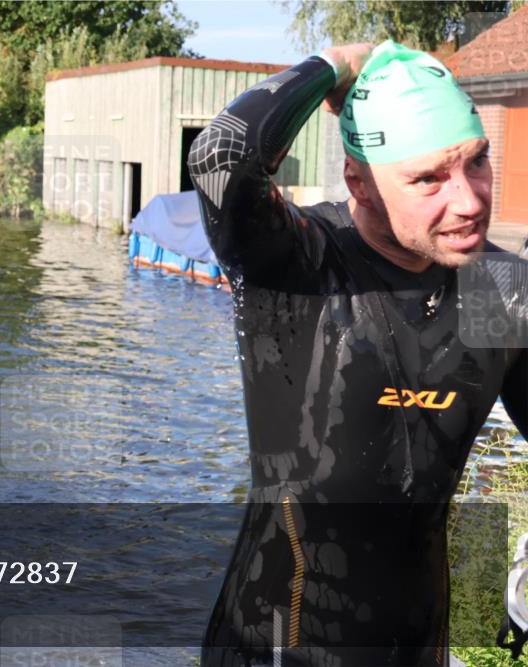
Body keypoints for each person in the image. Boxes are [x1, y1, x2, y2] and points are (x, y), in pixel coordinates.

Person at [188, 41, 527, 665]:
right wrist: (334, 65)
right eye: (427, 178)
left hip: (416, 642)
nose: (470, 200)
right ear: (359, 183)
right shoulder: (300, 265)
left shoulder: (500, 289)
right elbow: (220, 157)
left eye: (477, 163)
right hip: (274, 644)